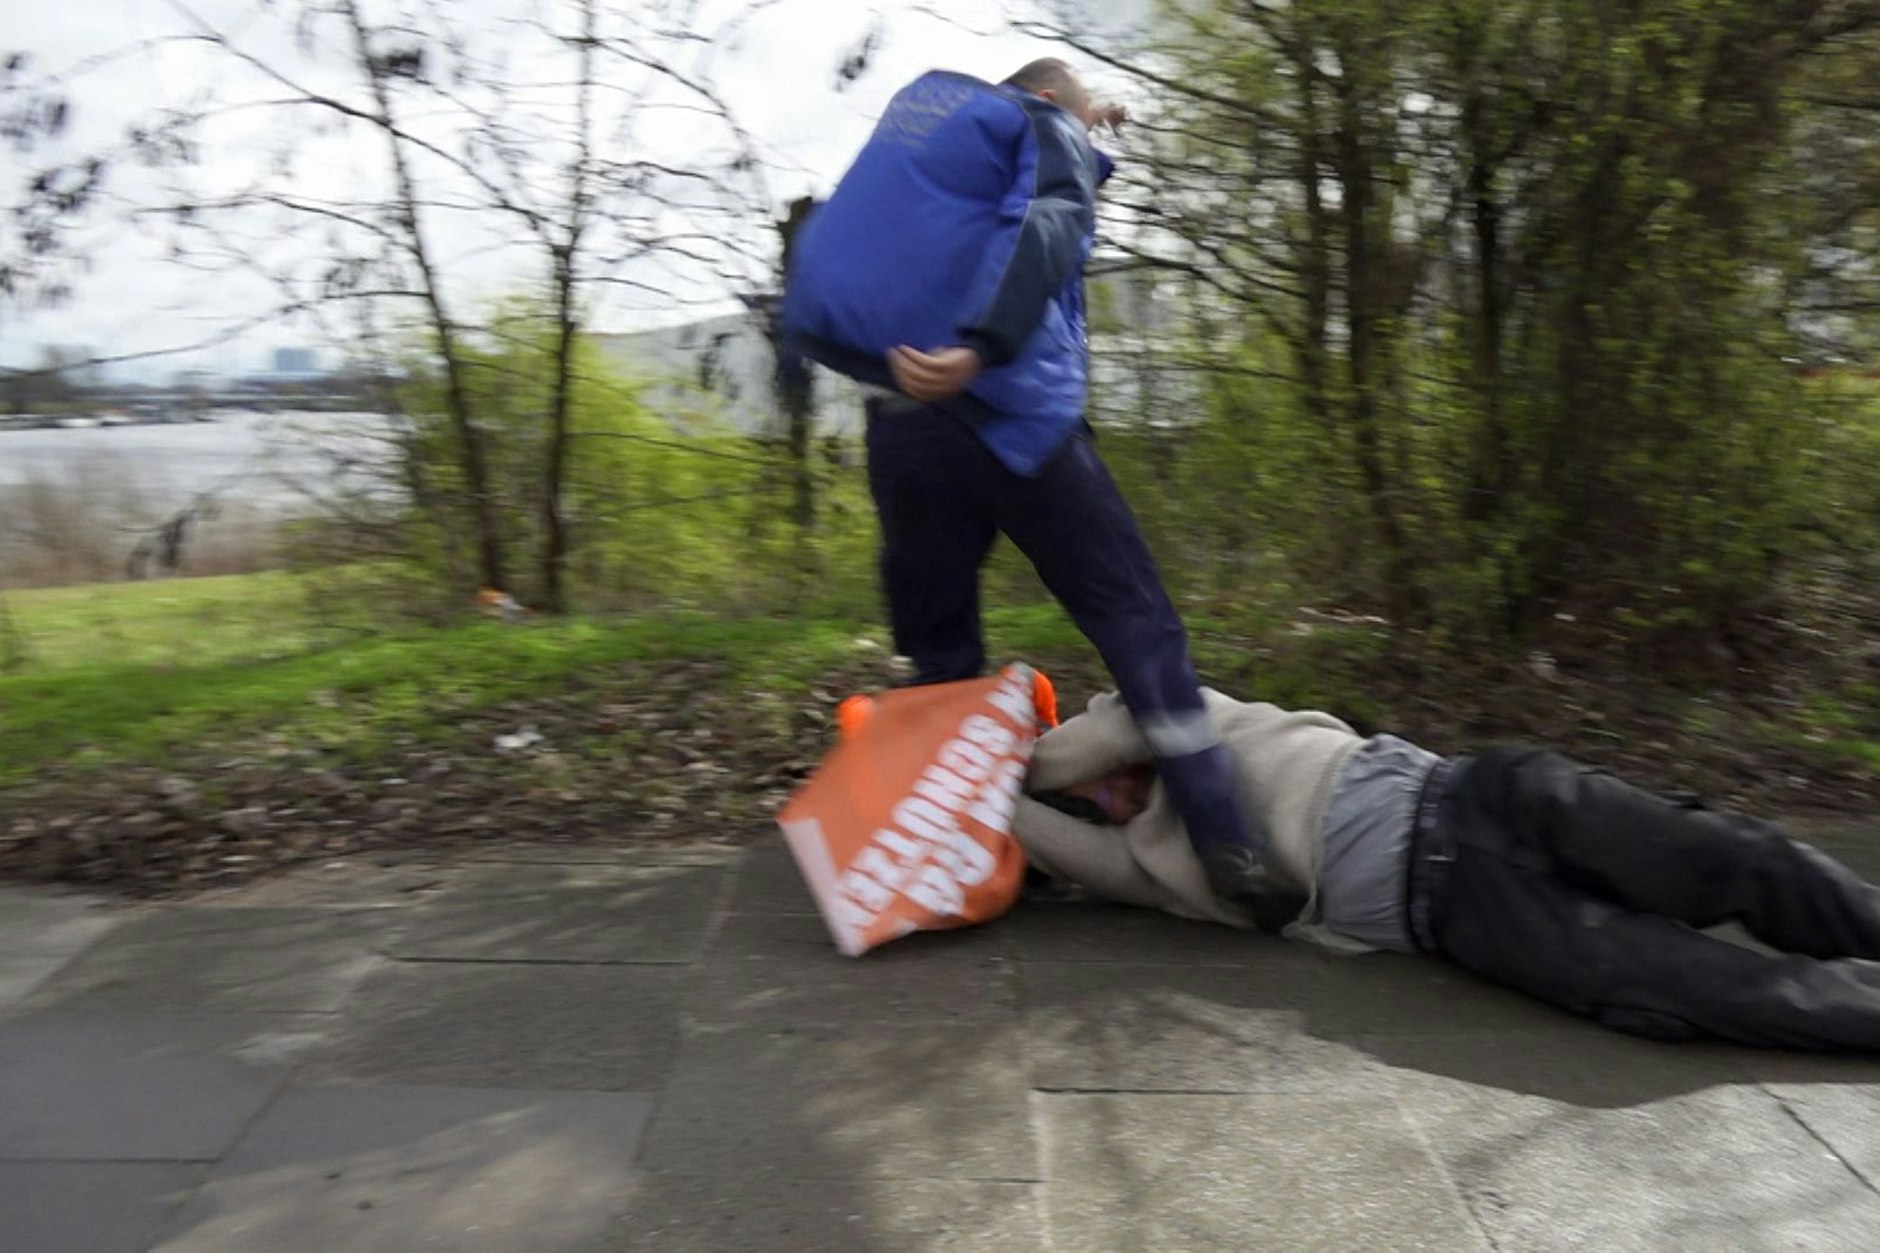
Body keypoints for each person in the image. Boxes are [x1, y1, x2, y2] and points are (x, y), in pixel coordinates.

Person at [783, 58, 1266, 902]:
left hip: (901, 426)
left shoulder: (936, 134)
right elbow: (1051, 217)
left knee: (941, 652)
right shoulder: (1040, 126)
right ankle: (1226, 842)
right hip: (1013, 419)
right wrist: (984, 344)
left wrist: (1087, 118)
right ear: (1049, 105)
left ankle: (958, 855)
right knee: (1137, 624)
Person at [1016, 688, 1880, 1051]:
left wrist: (1012, 755)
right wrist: (998, 797)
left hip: (1491, 795)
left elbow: (1112, 729)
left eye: (1098, 777)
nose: (1108, 795)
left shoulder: (1185, 712)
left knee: (1737, 855)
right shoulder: (1145, 862)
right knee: (1682, 986)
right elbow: (1033, 828)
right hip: (1466, 912)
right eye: (1092, 802)